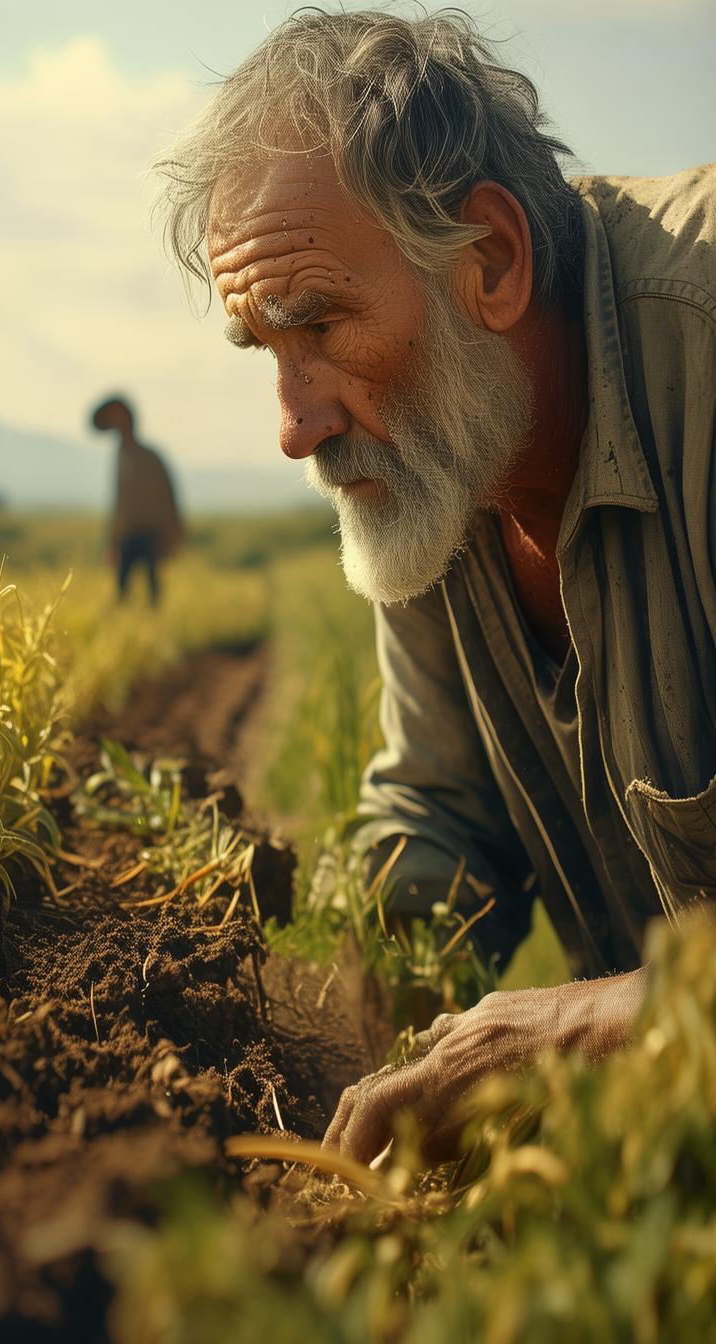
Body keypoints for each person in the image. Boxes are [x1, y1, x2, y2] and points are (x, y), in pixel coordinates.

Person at [153, 10, 716, 1162]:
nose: (295, 424)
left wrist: (577, 1026)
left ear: (492, 262)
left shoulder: (700, 346)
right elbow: (439, 822)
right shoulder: (441, 454)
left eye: (320, 324)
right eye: (266, 347)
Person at [91, 395, 183, 605]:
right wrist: (114, 541)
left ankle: (151, 630)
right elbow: (120, 504)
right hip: (129, 537)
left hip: (150, 535)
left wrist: (172, 531)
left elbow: (167, 497)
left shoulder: (148, 458)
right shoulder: (124, 457)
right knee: (123, 589)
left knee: (151, 590)